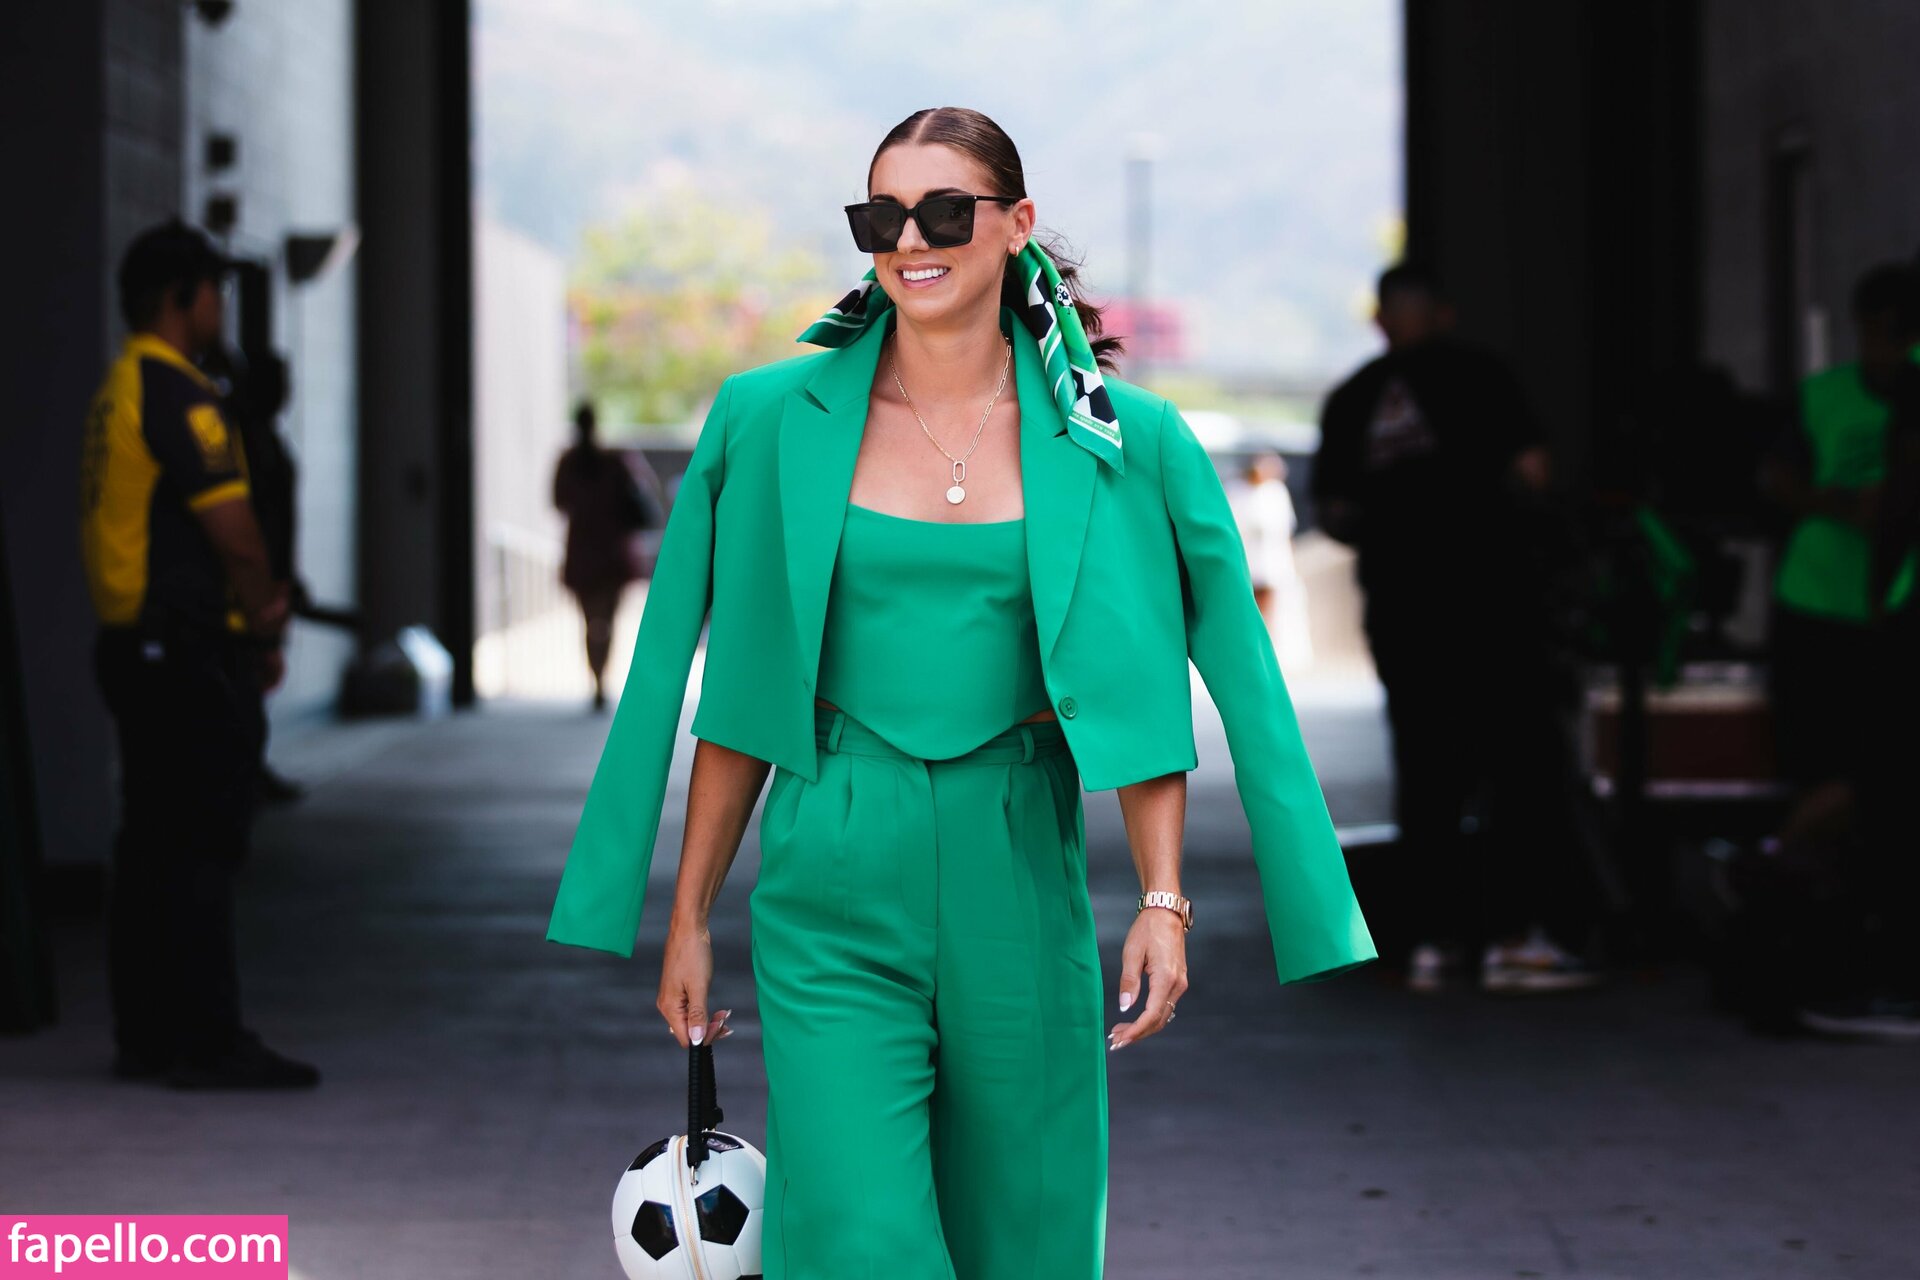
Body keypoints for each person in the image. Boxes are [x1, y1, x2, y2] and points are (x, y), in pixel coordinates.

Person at [545, 108, 1376, 1279]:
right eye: (881, 217)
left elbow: (1146, 691)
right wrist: (688, 914)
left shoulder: (1123, 439)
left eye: (944, 212)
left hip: (1018, 861)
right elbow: (740, 697)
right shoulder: (772, 421)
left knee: (1022, 1240)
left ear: (1017, 223)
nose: (910, 241)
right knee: (860, 1238)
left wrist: (1163, 900)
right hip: (832, 865)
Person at [1313, 262, 1598, 994]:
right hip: (1493, 607)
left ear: (1382, 320)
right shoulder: (1483, 377)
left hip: (1404, 614)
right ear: (1443, 314)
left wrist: (1397, 527)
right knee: (1515, 769)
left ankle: (1434, 944)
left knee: (1427, 772)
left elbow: (1335, 514)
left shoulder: (1354, 398)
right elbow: (1534, 472)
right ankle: (1513, 939)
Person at [79, 219, 317, 1088]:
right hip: (184, 652)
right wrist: (264, 622)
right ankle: (207, 1040)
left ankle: (146, 1035)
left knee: (150, 844)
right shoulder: (180, 394)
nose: (220, 304)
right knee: (202, 845)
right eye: (213, 289)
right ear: (182, 298)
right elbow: (236, 533)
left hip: (134, 646)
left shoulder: (121, 386)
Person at [552, 400, 658, 710]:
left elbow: (558, 501)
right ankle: (600, 678)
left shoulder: (571, 463)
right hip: (612, 552)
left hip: (585, 552)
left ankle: (597, 678)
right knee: (607, 620)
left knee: (591, 621)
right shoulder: (613, 460)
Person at [1230, 451, 1312, 670]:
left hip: (1272, 560)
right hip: (1248, 559)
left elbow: (1286, 531)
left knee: (1272, 607)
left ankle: (1267, 652)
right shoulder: (1237, 491)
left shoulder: (1276, 492)